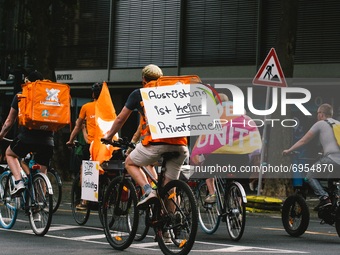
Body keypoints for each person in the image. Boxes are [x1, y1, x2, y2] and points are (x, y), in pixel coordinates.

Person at [102, 64, 189, 210]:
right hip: (181, 146)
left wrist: (109, 136)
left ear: (143, 78)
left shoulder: (140, 93)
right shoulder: (173, 93)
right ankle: (172, 224)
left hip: (156, 145)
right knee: (170, 189)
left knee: (129, 162)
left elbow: (120, 119)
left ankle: (149, 191)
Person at [190, 93, 262, 203]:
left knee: (208, 168)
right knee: (237, 180)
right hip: (242, 155)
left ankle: (212, 193)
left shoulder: (214, 113)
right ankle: (238, 208)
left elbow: (208, 139)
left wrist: (200, 158)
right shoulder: (240, 112)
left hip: (222, 156)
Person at [0, 71, 54, 200]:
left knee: (10, 154)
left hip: (27, 138)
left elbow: (9, 121)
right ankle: (39, 209)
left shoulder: (21, 95)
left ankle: (18, 182)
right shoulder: (51, 96)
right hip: (48, 141)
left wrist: (1, 135)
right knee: (42, 171)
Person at [283, 103, 340, 211]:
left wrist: (289, 150)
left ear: (321, 114)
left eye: (318, 113)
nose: (317, 115)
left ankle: (324, 198)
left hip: (331, 160)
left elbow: (304, 140)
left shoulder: (320, 123)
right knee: (332, 181)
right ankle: (335, 205)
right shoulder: (338, 124)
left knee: (310, 175)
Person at [66, 83, 103, 209]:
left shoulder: (87, 107)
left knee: (85, 169)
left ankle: (85, 201)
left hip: (92, 145)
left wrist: (70, 141)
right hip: (107, 145)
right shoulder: (108, 107)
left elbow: (77, 126)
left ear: (93, 94)